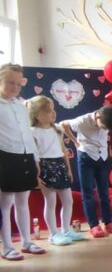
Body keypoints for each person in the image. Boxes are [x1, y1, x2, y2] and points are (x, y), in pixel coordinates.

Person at [0, 62, 45, 261]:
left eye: (19, 84)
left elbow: (27, 134)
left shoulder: (21, 107)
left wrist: (35, 158)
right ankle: (7, 246)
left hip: (24, 155)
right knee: (5, 204)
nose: (15, 87)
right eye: (11, 82)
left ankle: (27, 241)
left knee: (23, 201)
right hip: (5, 155)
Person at [58, 105, 112, 238]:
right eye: (103, 126)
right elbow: (63, 124)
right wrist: (74, 141)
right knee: (87, 193)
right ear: (98, 117)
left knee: (104, 192)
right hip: (86, 156)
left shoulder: (108, 118)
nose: (104, 129)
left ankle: (108, 222)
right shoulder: (82, 121)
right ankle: (94, 225)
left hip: (102, 157)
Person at [27, 96, 84, 246]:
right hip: (45, 166)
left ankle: (66, 229)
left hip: (59, 165)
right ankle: (53, 234)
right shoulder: (32, 132)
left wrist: (68, 169)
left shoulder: (57, 129)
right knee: (50, 201)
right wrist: (36, 174)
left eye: (53, 109)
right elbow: (33, 155)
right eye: (48, 111)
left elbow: (63, 150)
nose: (53, 113)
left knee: (68, 200)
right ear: (37, 115)